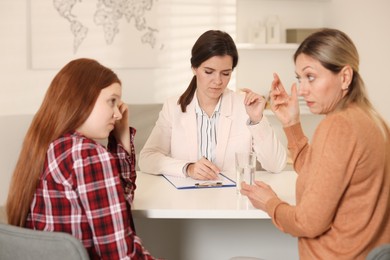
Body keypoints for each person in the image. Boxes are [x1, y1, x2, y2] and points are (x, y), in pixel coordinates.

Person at [241, 28, 390, 259]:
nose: (301, 90)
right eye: (299, 78)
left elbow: (307, 222)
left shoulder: (338, 126)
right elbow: (318, 172)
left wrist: (270, 203)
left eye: (310, 77)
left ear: (345, 77)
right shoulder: (373, 120)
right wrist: (292, 123)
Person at [6, 58, 157, 259]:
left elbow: (117, 203)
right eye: (112, 101)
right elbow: (120, 256)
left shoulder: (47, 145)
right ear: (82, 98)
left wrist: (120, 138)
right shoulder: (88, 155)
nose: (118, 114)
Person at [139, 30, 287, 180]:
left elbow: (276, 165)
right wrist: (188, 168)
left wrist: (257, 120)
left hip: (232, 198)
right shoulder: (173, 108)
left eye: (225, 73)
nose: (218, 81)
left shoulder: (244, 106)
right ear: (194, 68)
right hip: (186, 199)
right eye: (209, 72)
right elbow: (147, 158)